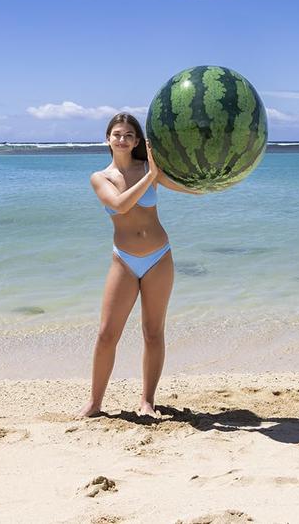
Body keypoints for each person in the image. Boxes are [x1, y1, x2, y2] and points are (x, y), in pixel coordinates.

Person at [78, 113, 197, 418]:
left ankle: (147, 400)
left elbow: (189, 187)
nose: (122, 139)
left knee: (153, 333)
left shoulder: (148, 168)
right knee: (106, 334)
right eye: (117, 134)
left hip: (159, 256)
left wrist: (219, 178)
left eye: (129, 135)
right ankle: (94, 403)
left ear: (137, 141)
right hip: (125, 260)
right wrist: (152, 175)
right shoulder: (100, 177)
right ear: (108, 139)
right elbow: (119, 205)